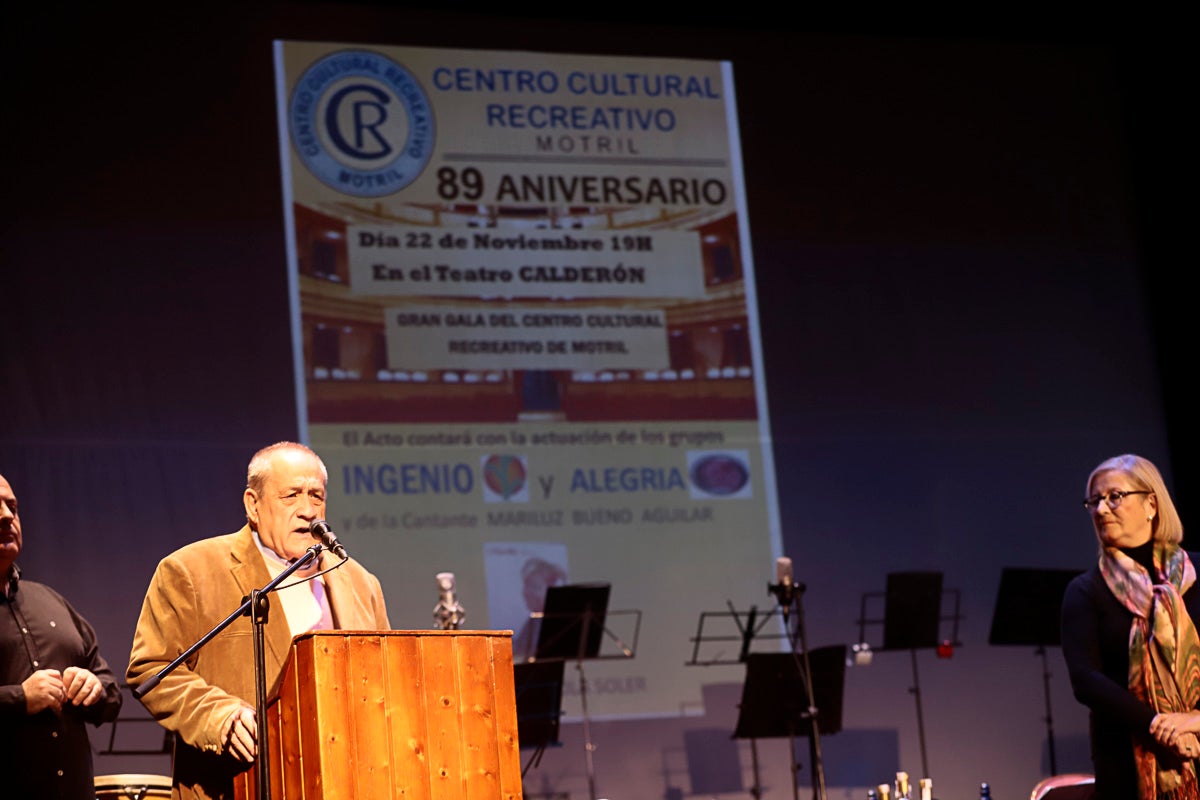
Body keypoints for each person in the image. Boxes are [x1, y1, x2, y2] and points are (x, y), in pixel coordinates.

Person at [127, 442, 390, 800]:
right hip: (237, 784)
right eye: (291, 495)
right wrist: (217, 716)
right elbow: (151, 670)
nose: (308, 510)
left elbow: (385, 683)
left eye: (316, 496)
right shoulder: (191, 571)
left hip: (345, 783)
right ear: (253, 504)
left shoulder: (359, 582)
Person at [1062, 453, 1200, 799]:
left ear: (1151, 504)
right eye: (1094, 501)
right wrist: (1158, 725)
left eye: (1114, 497)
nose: (1101, 509)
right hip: (1127, 761)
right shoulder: (1086, 590)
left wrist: (1194, 720)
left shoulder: (1198, 574)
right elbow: (1086, 680)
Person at [1, 472, 123, 799]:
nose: (6, 516)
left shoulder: (50, 601)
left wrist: (95, 688)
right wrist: (20, 698)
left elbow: (110, 691)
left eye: (12, 506)